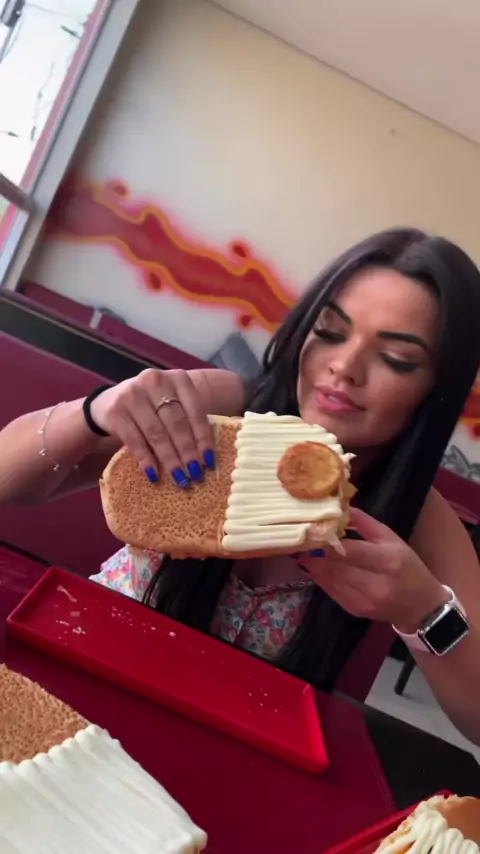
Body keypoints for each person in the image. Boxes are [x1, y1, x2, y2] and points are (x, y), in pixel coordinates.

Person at [1, 228, 480, 743]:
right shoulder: (223, 409)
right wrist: (94, 412)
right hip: (78, 668)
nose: (344, 367)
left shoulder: (416, 514)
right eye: (330, 331)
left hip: (219, 741)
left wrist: (423, 613)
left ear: (436, 389)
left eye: (396, 359)